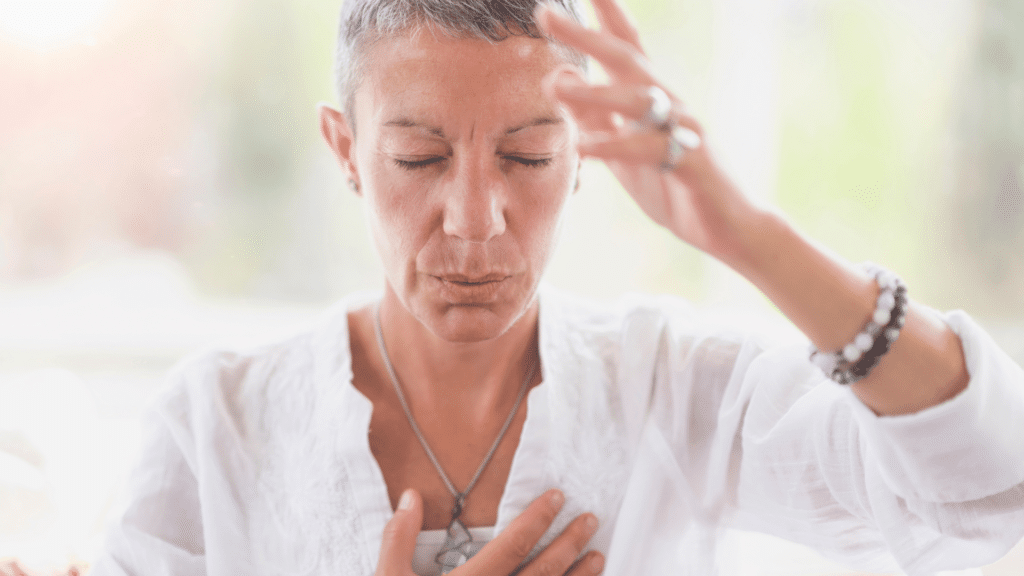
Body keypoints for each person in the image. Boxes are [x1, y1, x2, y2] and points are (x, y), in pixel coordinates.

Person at [8, 0, 1019, 575]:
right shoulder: (215, 426)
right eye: (417, 158)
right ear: (345, 149)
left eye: (529, 157)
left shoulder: (674, 386)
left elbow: (984, 486)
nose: (477, 220)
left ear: (586, 157)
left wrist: (752, 240)